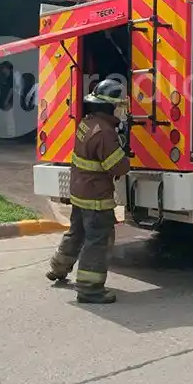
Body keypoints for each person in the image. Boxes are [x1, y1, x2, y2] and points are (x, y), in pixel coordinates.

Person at [46, 78, 130, 304]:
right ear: (111, 106)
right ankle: (90, 288)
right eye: (119, 105)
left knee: (77, 232)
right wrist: (125, 148)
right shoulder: (105, 133)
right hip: (96, 196)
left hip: (80, 192)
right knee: (98, 240)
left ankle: (58, 268)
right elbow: (118, 167)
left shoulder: (87, 123)